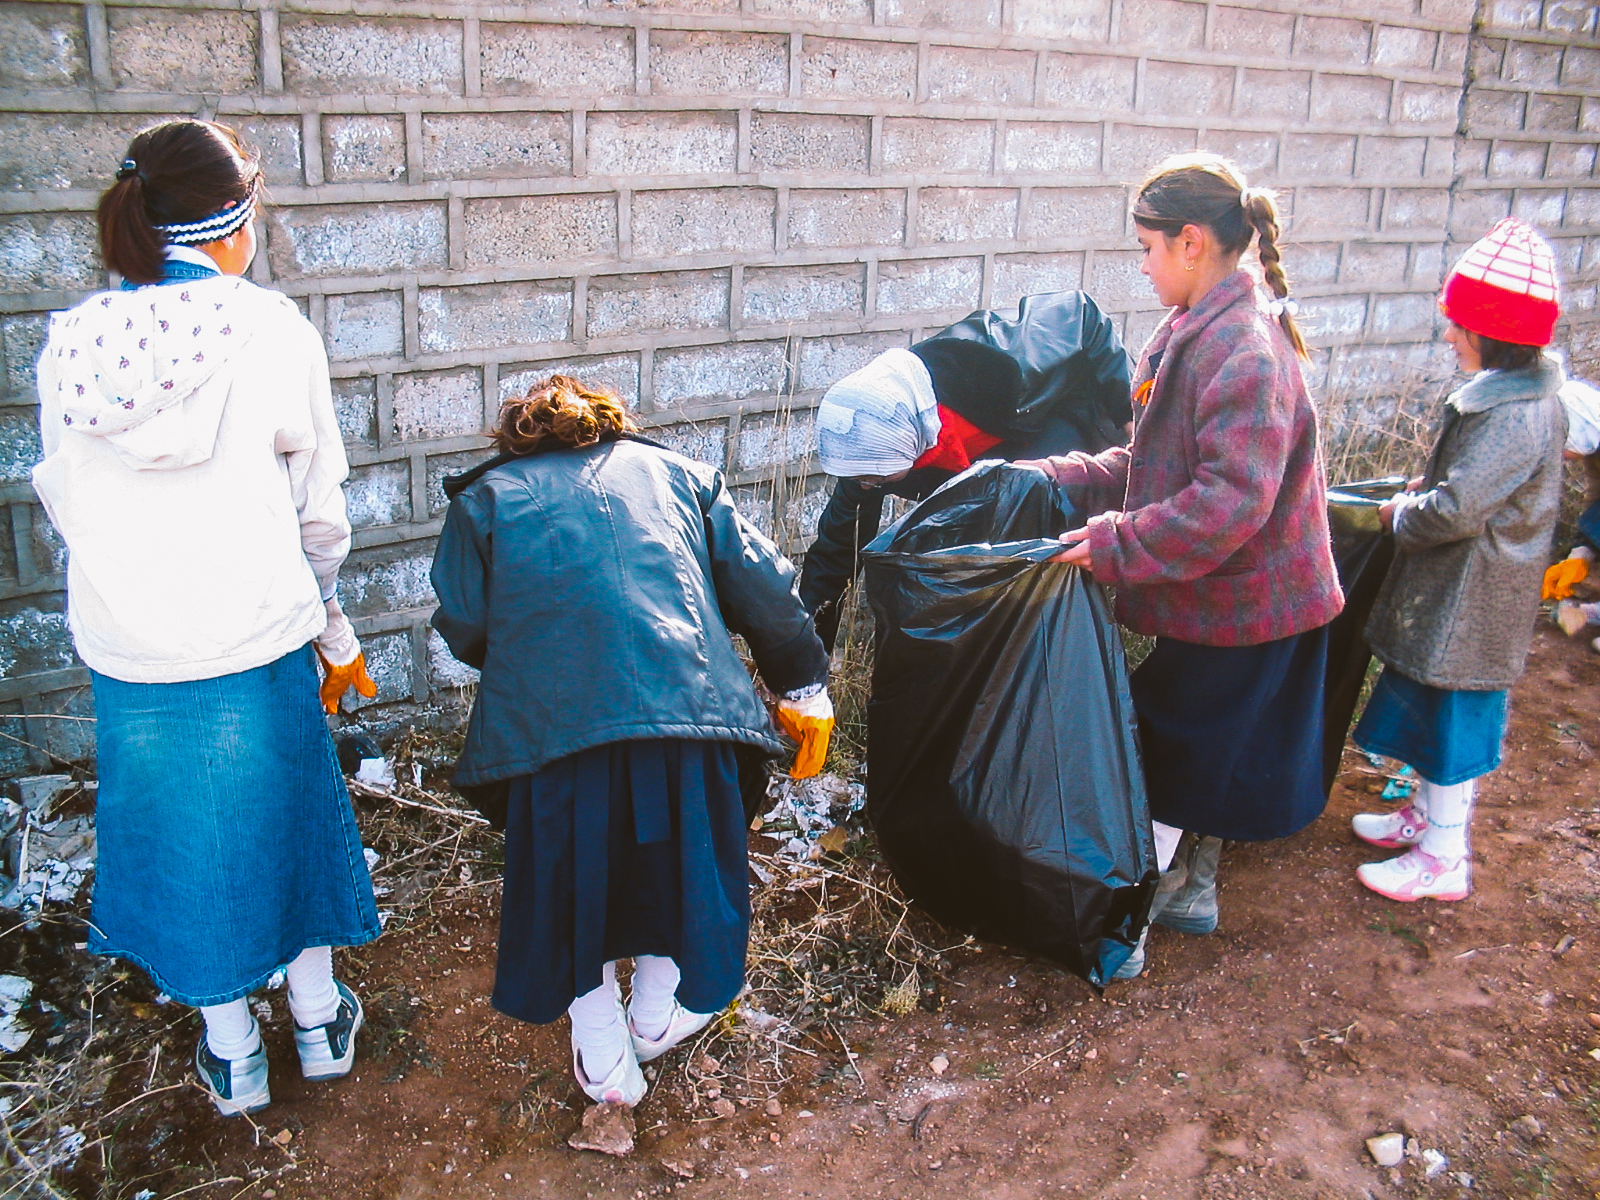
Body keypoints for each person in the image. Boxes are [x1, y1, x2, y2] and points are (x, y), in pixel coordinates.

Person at [30, 120, 381, 1116]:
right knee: (290, 817)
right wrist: (333, 633)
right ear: (241, 212)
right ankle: (317, 1021)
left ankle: (233, 1054)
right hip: (256, 633)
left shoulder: (70, 346)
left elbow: (68, 503)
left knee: (179, 837)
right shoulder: (270, 330)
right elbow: (321, 516)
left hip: (130, 647)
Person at [430, 376, 832, 1106]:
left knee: (569, 885)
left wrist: (538, 658)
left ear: (517, 440)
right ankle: (653, 1019)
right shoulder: (683, 476)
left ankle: (607, 1060)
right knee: (673, 865)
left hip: (554, 738)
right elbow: (766, 590)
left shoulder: (484, 501)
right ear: (612, 424)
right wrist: (805, 688)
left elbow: (464, 625)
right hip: (690, 720)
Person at [1022, 153, 1344, 978]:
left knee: (1168, 757)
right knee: (1202, 750)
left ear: (1193, 242)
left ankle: (1119, 929)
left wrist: (1119, 544)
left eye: (1149, 246)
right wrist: (1062, 476)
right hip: (1222, 597)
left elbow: (1229, 502)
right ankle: (1193, 891)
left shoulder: (1246, 352)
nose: (1142, 263)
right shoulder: (1192, 330)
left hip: (1252, 607)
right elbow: (1151, 462)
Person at [1350, 217, 1566, 902]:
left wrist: (1399, 514)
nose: (1450, 335)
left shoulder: (1513, 415)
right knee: (1429, 714)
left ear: (1492, 334)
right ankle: (1425, 818)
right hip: (1463, 594)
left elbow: (1458, 510)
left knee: (1451, 728)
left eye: (1459, 325)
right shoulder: (1512, 398)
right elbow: (1474, 487)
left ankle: (1445, 856)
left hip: (1474, 602)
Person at [798, 291, 1132, 650]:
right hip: (989, 459)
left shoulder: (997, 363)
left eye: (873, 478)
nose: (865, 485)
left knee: (1035, 523)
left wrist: (1135, 424)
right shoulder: (869, 444)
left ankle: (1061, 649)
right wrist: (803, 662)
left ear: (907, 447)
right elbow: (834, 554)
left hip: (1062, 423)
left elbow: (1081, 313)